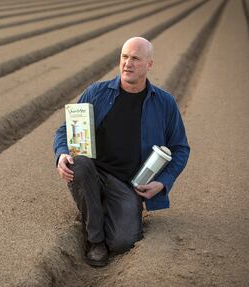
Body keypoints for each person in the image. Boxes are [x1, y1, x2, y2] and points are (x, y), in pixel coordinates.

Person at [53, 37, 190, 267]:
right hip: (93, 172)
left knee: (123, 241)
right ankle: (95, 240)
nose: (128, 63)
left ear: (149, 65)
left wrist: (163, 182)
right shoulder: (97, 93)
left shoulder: (164, 103)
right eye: (124, 57)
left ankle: (99, 207)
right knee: (81, 163)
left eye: (135, 58)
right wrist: (61, 153)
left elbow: (180, 148)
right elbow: (66, 129)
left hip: (126, 183)